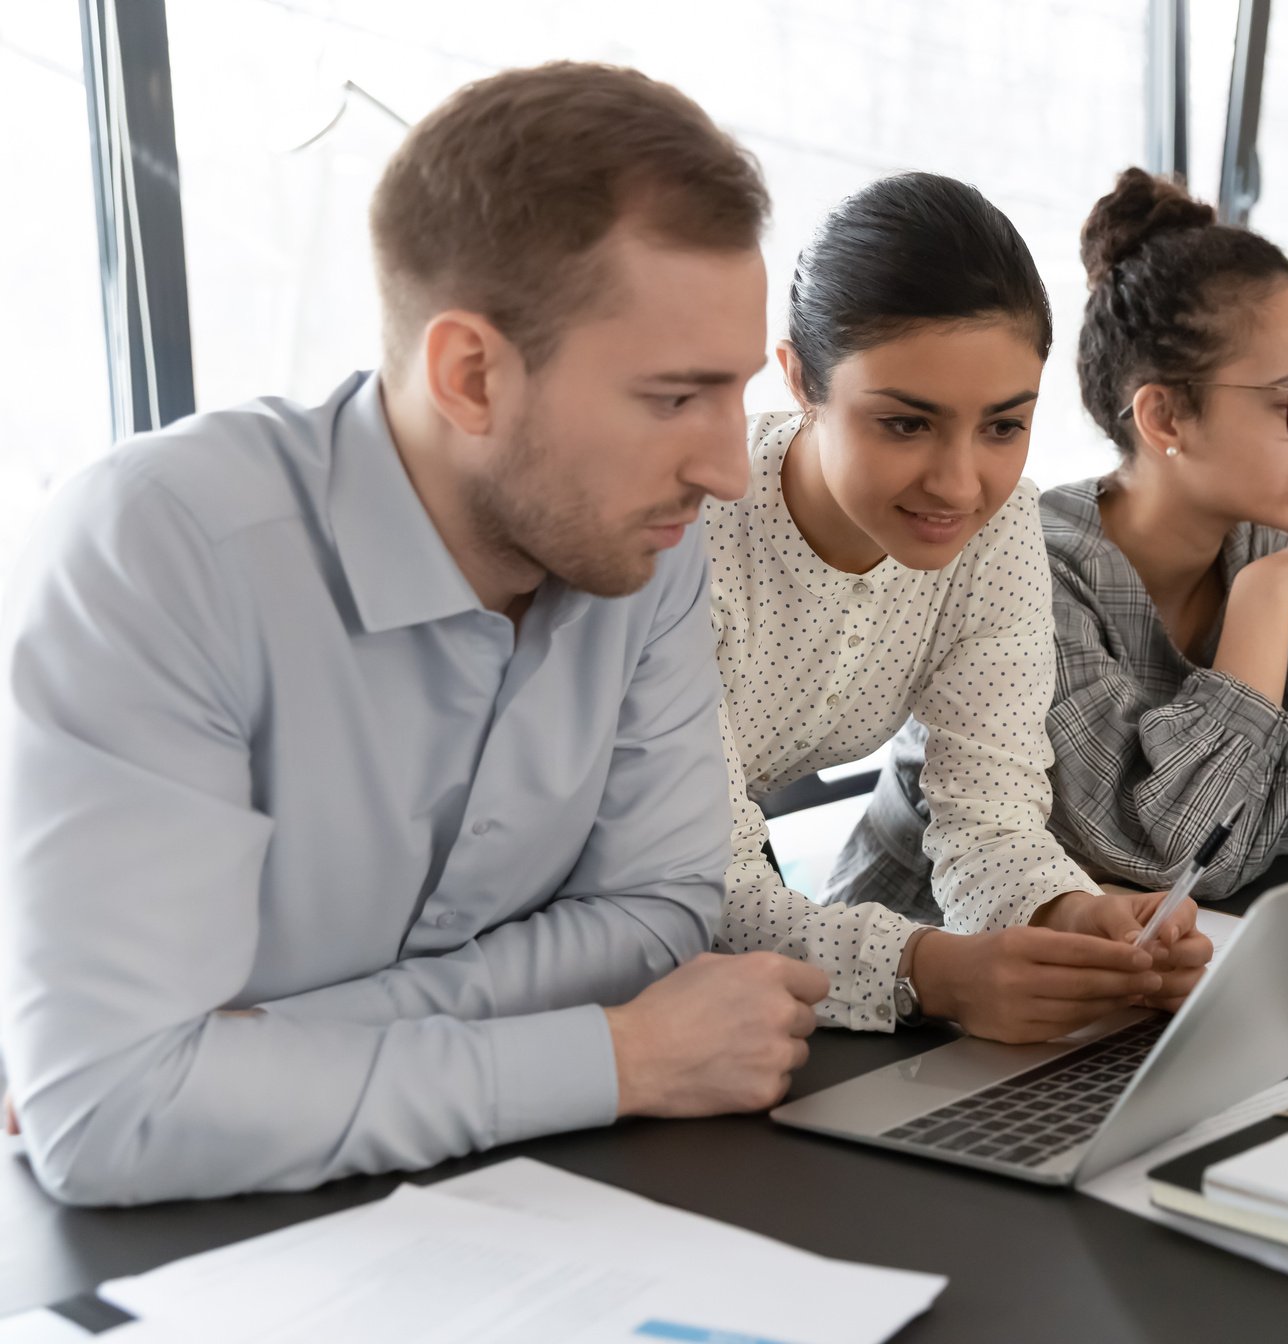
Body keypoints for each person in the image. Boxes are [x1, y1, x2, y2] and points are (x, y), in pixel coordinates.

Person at [0, 63, 826, 1206]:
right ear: (470, 376)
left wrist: (274, 1047)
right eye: (675, 398)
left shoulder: (647, 547)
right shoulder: (162, 547)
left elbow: (657, 912)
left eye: (734, 394)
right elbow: (116, 1116)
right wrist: (614, 1057)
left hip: (503, 1212)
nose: (729, 471)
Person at [708, 173, 1212, 1045]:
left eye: (1003, 426)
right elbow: (699, 890)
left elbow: (989, 814)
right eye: (905, 424)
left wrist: (1064, 917)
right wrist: (925, 972)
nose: (959, 483)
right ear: (799, 380)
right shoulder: (695, 531)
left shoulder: (998, 524)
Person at [832, 169, 1288, 904]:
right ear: (1164, 417)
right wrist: (1263, 609)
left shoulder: (1269, 545)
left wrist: (1210, 817)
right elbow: (1179, 857)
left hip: (1137, 976)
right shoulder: (1033, 565)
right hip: (903, 986)